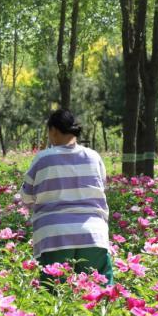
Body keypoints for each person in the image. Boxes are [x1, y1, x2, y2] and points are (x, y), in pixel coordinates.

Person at [21, 109, 113, 284]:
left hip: (54, 235)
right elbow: (101, 188)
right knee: (98, 291)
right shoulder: (94, 157)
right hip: (93, 234)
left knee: (54, 292)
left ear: (54, 130)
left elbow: (26, 196)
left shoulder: (43, 159)